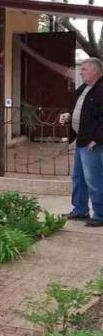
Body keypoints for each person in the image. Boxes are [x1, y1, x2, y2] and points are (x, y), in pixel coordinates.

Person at [60, 57, 103, 226]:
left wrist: (96, 139)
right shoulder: (84, 88)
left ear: (95, 71)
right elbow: (79, 109)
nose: (81, 72)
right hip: (82, 139)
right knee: (78, 177)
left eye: (84, 69)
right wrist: (69, 115)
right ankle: (80, 210)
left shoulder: (101, 90)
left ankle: (100, 215)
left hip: (92, 144)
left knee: (94, 180)